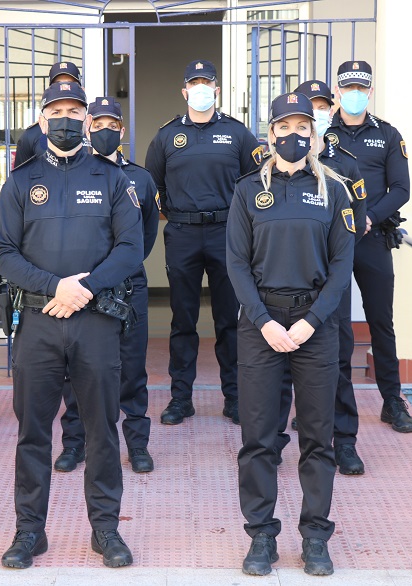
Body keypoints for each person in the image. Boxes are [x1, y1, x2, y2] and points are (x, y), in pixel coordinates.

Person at [0, 82, 142, 569]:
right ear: (41, 122)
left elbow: (130, 249)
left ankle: (106, 530)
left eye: (74, 111)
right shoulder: (19, 182)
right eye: (55, 111)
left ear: (87, 120)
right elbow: (4, 254)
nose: (65, 119)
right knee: (33, 432)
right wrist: (56, 287)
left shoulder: (113, 178)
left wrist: (87, 288)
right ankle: (28, 532)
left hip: (96, 322)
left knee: (102, 429)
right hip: (38, 322)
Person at [227, 92, 355, 577]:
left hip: (315, 326)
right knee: (259, 437)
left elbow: (342, 267)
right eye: (286, 127)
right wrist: (264, 322)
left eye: (304, 126)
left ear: (314, 134)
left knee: (317, 438)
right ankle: (261, 535)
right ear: (272, 133)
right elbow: (236, 264)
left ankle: (315, 536)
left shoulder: (334, 191)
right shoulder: (246, 191)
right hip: (261, 326)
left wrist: (309, 322)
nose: (295, 135)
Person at [145, 59, 263, 426]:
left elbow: (255, 183)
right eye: (193, 83)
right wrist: (176, 213)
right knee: (183, 320)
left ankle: (235, 397)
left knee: (229, 319)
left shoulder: (238, 133)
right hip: (182, 234)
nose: (199, 89)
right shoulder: (166, 136)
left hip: (227, 234)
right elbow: (152, 187)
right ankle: (181, 399)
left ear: (217, 89)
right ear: (184, 92)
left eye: (206, 83)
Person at [54, 97, 160, 474]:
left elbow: (146, 236)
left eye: (111, 125)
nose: (103, 131)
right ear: (86, 128)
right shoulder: (79, 175)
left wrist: (119, 268)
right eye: (96, 124)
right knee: (79, 370)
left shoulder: (142, 178)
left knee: (132, 368)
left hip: (129, 287)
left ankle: (137, 444)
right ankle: (74, 442)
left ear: (122, 130)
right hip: (87, 290)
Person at [274, 79, 369, 475]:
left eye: (319, 108)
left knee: (337, 361)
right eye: (306, 107)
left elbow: (357, 219)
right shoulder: (269, 162)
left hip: (328, 287)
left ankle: (343, 441)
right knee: (277, 365)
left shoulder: (343, 162)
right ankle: (274, 440)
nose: (312, 114)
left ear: (326, 115)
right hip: (280, 284)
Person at [327, 60, 412, 434]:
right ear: (338, 92)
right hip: (331, 243)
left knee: (381, 321)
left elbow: (401, 189)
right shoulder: (323, 134)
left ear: (370, 92)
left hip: (372, 239)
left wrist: (369, 217)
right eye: (348, 88)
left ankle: (392, 401)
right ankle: (329, 402)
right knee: (335, 325)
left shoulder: (389, 135)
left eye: (361, 88)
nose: (355, 94)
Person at [13, 61, 82, 168]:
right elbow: (21, 179)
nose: (64, 88)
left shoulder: (94, 130)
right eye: (58, 84)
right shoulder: (31, 135)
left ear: (82, 89)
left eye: (70, 83)